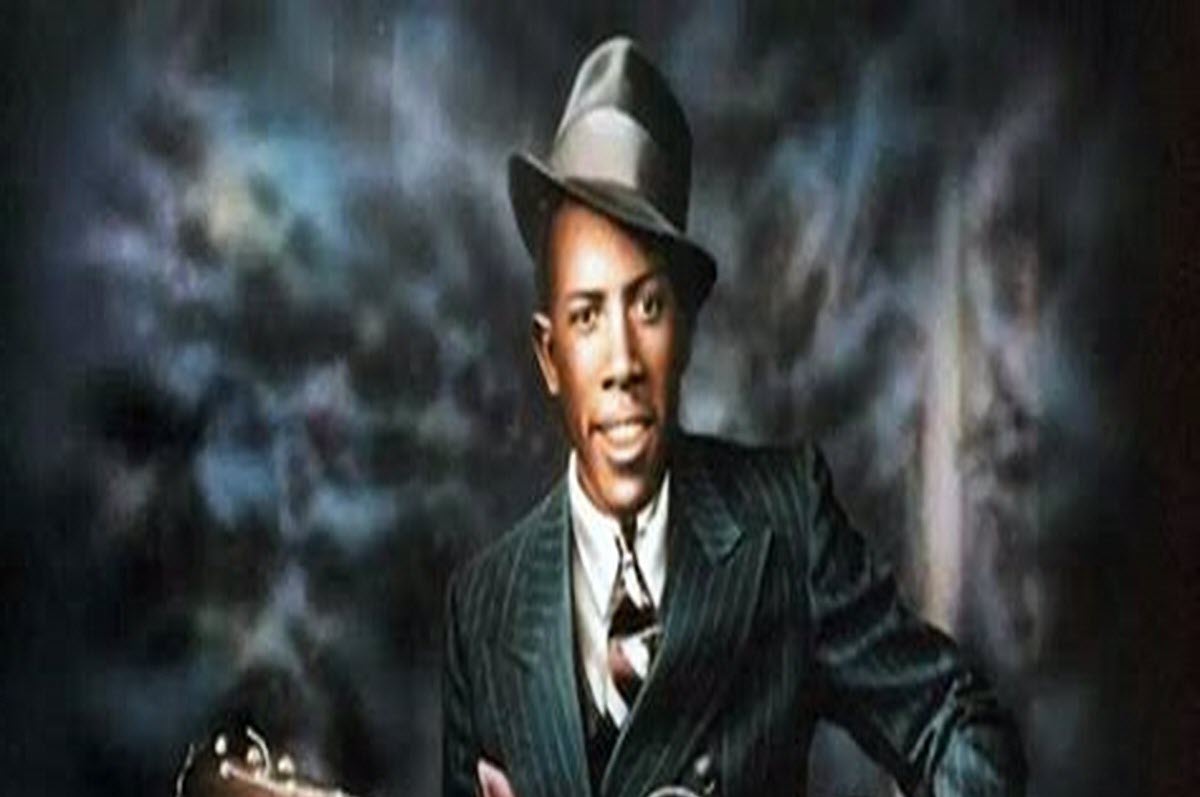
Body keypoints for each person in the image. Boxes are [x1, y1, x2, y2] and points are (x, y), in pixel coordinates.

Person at [442, 36, 1025, 797]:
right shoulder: (483, 609)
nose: (622, 362)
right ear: (549, 356)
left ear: (684, 329)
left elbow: (959, 723)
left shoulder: (786, 523)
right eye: (586, 317)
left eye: (648, 307)